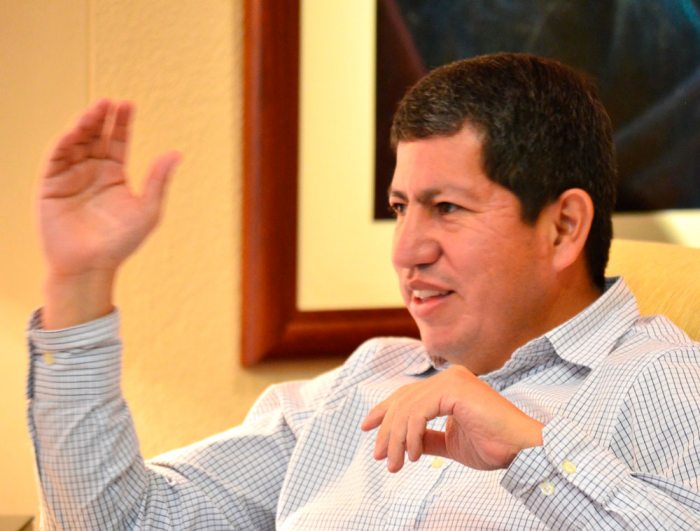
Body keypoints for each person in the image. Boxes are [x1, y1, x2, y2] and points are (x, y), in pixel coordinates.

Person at [28, 53, 700, 529]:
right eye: (400, 207)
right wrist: (79, 282)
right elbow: (131, 520)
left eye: (447, 208)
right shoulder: (362, 384)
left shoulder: (663, 379)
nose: (406, 251)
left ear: (563, 227)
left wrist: (532, 452)